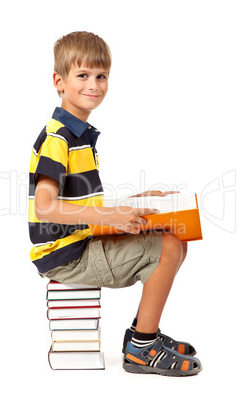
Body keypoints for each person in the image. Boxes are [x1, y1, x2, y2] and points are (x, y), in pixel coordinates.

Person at [28, 31, 202, 376]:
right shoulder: (57, 137)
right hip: (65, 255)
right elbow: (45, 207)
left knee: (177, 241)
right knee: (167, 246)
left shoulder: (78, 134)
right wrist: (109, 215)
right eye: (82, 75)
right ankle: (142, 347)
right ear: (59, 82)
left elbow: (79, 202)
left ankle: (142, 333)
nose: (93, 84)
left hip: (80, 241)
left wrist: (134, 203)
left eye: (101, 76)